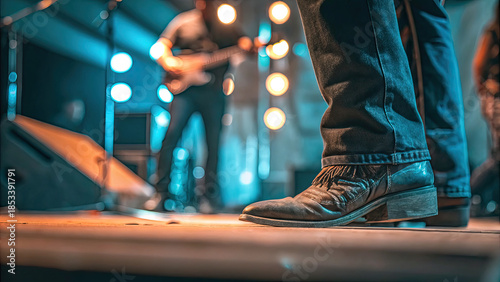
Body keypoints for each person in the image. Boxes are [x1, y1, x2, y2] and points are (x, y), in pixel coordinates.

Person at [240, 0, 471, 227]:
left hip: (380, 154)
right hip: (419, 157)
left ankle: (368, 157)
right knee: (418, 9)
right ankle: (442, 178)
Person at [154, 0, 252, 212]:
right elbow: (161, 46)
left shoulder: (226, 26)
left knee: (213, 144)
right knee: (171, 137)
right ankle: (161, 194)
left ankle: (209, 197)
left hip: (214, 93)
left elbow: (244, 44)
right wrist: (168, 61)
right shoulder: (183, 21)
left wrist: (249, 46)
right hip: (185, 93)